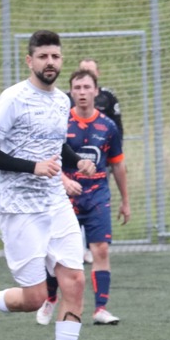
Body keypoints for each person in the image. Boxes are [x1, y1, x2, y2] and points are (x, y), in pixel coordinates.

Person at [0, 30, 97, 340]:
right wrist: (32, 167)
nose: (50, 62)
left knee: (75, 280)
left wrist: (76, 160)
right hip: (20, 208)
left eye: (55, 56)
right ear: (30, 60)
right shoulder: (13, 98)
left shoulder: (61, 100)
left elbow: (56, 143)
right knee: (36, 298)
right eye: (43, 57)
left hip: (54, 203)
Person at [36, 69, 130, 327]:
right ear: (71, 92)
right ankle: (51, 299)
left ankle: (100, 308)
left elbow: (118, 165)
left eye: (87, 87)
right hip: (64, 198)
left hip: (97, 196)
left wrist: (125, 201)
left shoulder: (108, 126)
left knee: (100, 250)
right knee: (57, 254)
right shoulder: (61, 122)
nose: (82, 92)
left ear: (96, 92)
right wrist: (64, 181)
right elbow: (49, 158)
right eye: (77, 88)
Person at [70, 57, 123, 265]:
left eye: (90, 72)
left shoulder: (108, 98)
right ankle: (78, 247)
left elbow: (117, 127)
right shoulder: (68, 105)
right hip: (72, 170)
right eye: (82, 71)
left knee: (97, 201)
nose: (83, 91)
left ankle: (95, 244)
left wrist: (115, 153)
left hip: (100, 163)